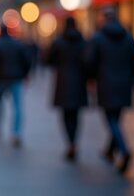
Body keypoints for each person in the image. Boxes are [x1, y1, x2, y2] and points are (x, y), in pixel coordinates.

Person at [87, 8, 134, 174]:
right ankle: (110, 151)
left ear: (104, 19)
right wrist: (129, 75)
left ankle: (124, 151)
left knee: (111, 119)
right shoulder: (128, 37)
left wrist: (92, 78)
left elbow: (90, 61)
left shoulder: (98, 37)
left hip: (106, 83)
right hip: (124, 83)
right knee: (116, 117)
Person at [46, 17, 88, 161]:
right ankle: (74, 142)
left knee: (65, 115)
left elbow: (49, 60)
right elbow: (88, 61)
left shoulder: (59, 41)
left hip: (63, 81)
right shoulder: (83, 42)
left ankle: (70, 143)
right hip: (79, 82)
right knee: (76, 114)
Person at [0, 24, 32, 147]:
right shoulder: (18, 44)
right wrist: (25, 74)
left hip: (1, 78)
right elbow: (26, 60)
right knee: (17, 106)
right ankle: (16, 132)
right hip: (16, 77)